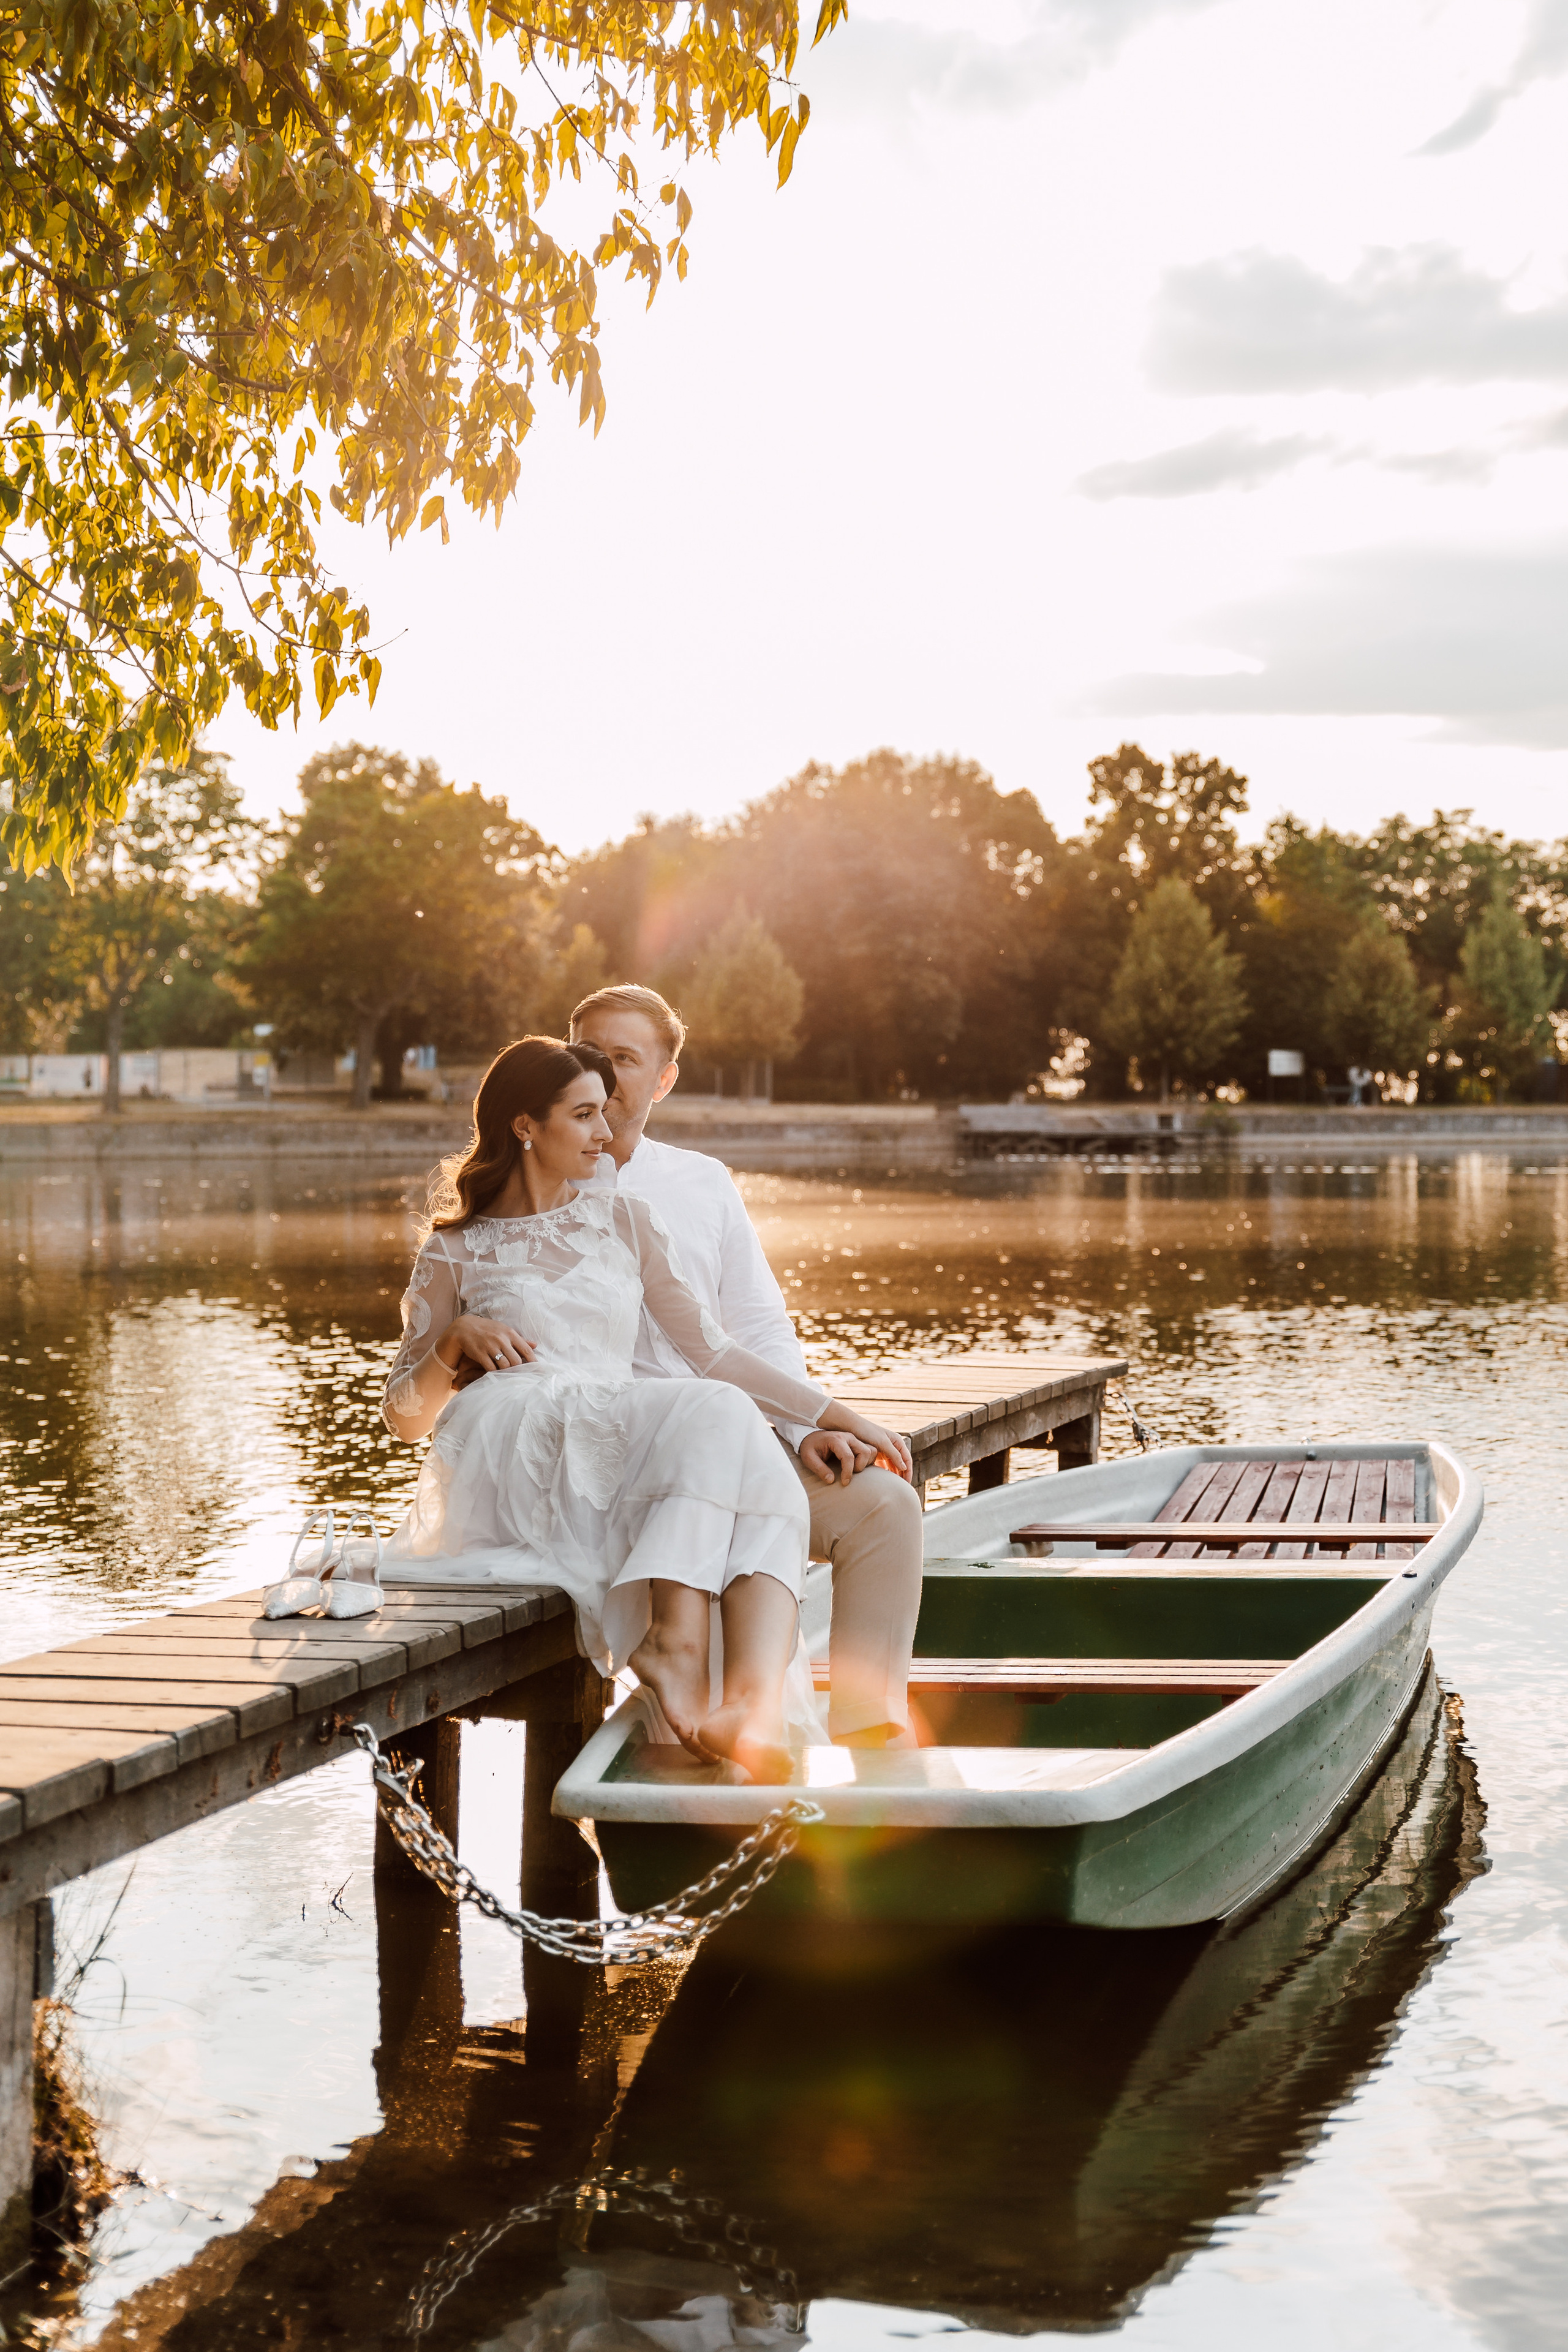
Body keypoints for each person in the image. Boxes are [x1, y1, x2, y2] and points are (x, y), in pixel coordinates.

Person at [379, 1035, 911, 1784]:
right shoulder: (455, 1250)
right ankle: (682, 1651)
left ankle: (747, 1700)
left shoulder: (626, 1221)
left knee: (735, 1432)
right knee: (719, 1418)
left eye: (605, 1111)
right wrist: (453, 1341)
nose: (605, 1132)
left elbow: (714, 1353)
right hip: (513, 1445)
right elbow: (403, 1418)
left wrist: (835, 1415)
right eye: (584, 1115)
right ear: (525, 1125)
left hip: (606, 1432)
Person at [568, 984, 924, 1752]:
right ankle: (712, 1734)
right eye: (589, 1053)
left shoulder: (702, 1183)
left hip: (737, 1443)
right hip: (620, 1464)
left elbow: (756, 1326)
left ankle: (871, 1738)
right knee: (720, 1529)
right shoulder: (541, 1187)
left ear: (664, 1079)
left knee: (884, 1508)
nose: (603, 1073)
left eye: (624, 1058)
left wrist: (802, 1429)